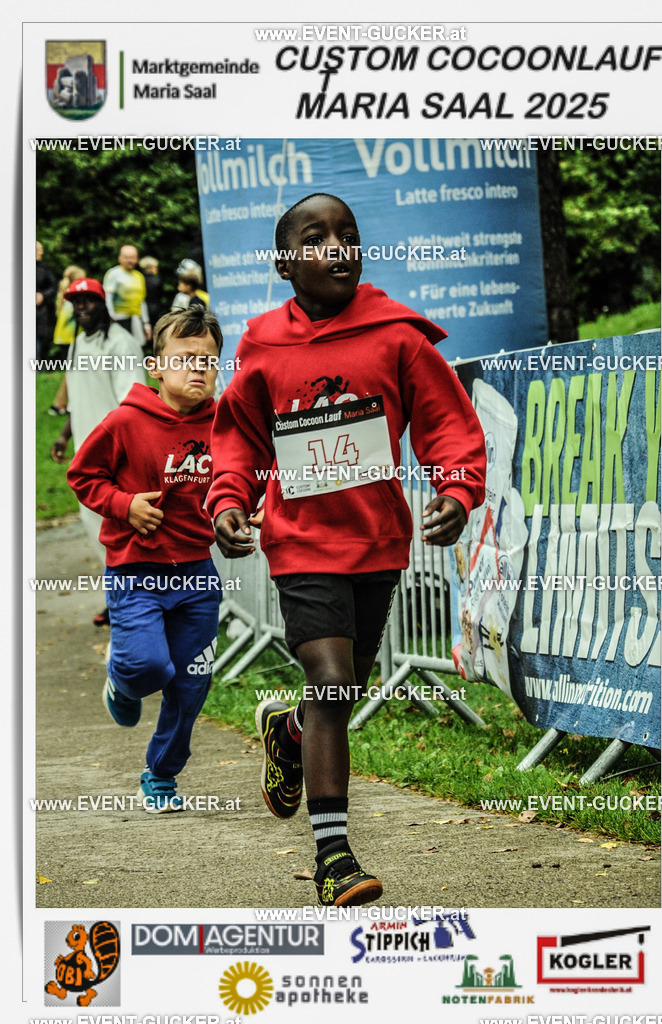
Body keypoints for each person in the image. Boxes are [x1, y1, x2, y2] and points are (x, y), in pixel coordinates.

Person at [208, 193, 487, 905]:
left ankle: (290, 729)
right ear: (284, 263)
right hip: (300, 541)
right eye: (314, 237)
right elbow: (238, 435)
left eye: (347, 235)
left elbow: (445, 422)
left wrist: (455, 489)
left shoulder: (396, 337)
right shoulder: (263, 344)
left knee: (342, 690)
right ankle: (334, 856)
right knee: (331, 675)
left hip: (378, 540)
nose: (334, 247)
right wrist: (230, 499)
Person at [66, 306, 223, 812]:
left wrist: (244, 510)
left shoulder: (226, 425)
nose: (197, 369)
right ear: (156, 367)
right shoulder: (125, 421)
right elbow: (82, 476)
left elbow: (240, 479)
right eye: (185, 359)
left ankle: (160, 774)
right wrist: (123, 504)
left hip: (198, 573)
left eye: (209, 360)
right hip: (135, 572)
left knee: (192, 682)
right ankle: (122, 679)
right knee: (148, 667)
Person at [50, 278, 146, 625]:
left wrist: (124, 453)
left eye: (88, 301)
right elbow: (77, 397)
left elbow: (130, 403)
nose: (81, 309)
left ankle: (135, 601)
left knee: (121, 529)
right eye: (76, 303)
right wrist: (64, 436)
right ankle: (117, 596)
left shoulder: (122, 344)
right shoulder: (77, 345)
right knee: (94, 527)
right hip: (86, 457)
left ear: (102, 303)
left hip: (116, 456)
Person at [49, 264, 86, 415]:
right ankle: (60, 404)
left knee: (72, 371)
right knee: (74, 372)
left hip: (64, 338)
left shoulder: (65, 295)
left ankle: (61, 404)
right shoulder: (73, 298)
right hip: (71, 338)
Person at [103, 244, 152, 348]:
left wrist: (146, 323)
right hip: (118, 320)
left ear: (137, 259)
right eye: (126, 257)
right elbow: (107, 298)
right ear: (120, 258)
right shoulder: (113, 274)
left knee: (136, 348)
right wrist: (111, 318)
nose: (130, 260)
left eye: (132, 257)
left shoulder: (139, 276)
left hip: (136, 320)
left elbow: (142, 302)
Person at [36, 240, 57, 362]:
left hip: (39, 310)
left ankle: (36, 366)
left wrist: (43, 296)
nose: (42, 252)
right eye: (39, 250)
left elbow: (53, 286)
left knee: (37, 338)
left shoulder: (44, 268)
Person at [139, 255, 165, 333]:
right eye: (155, 267)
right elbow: (160, 295)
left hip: (142, 310)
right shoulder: (157, 280)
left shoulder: (140, 279)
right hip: (155, 309)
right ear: (150, 268)